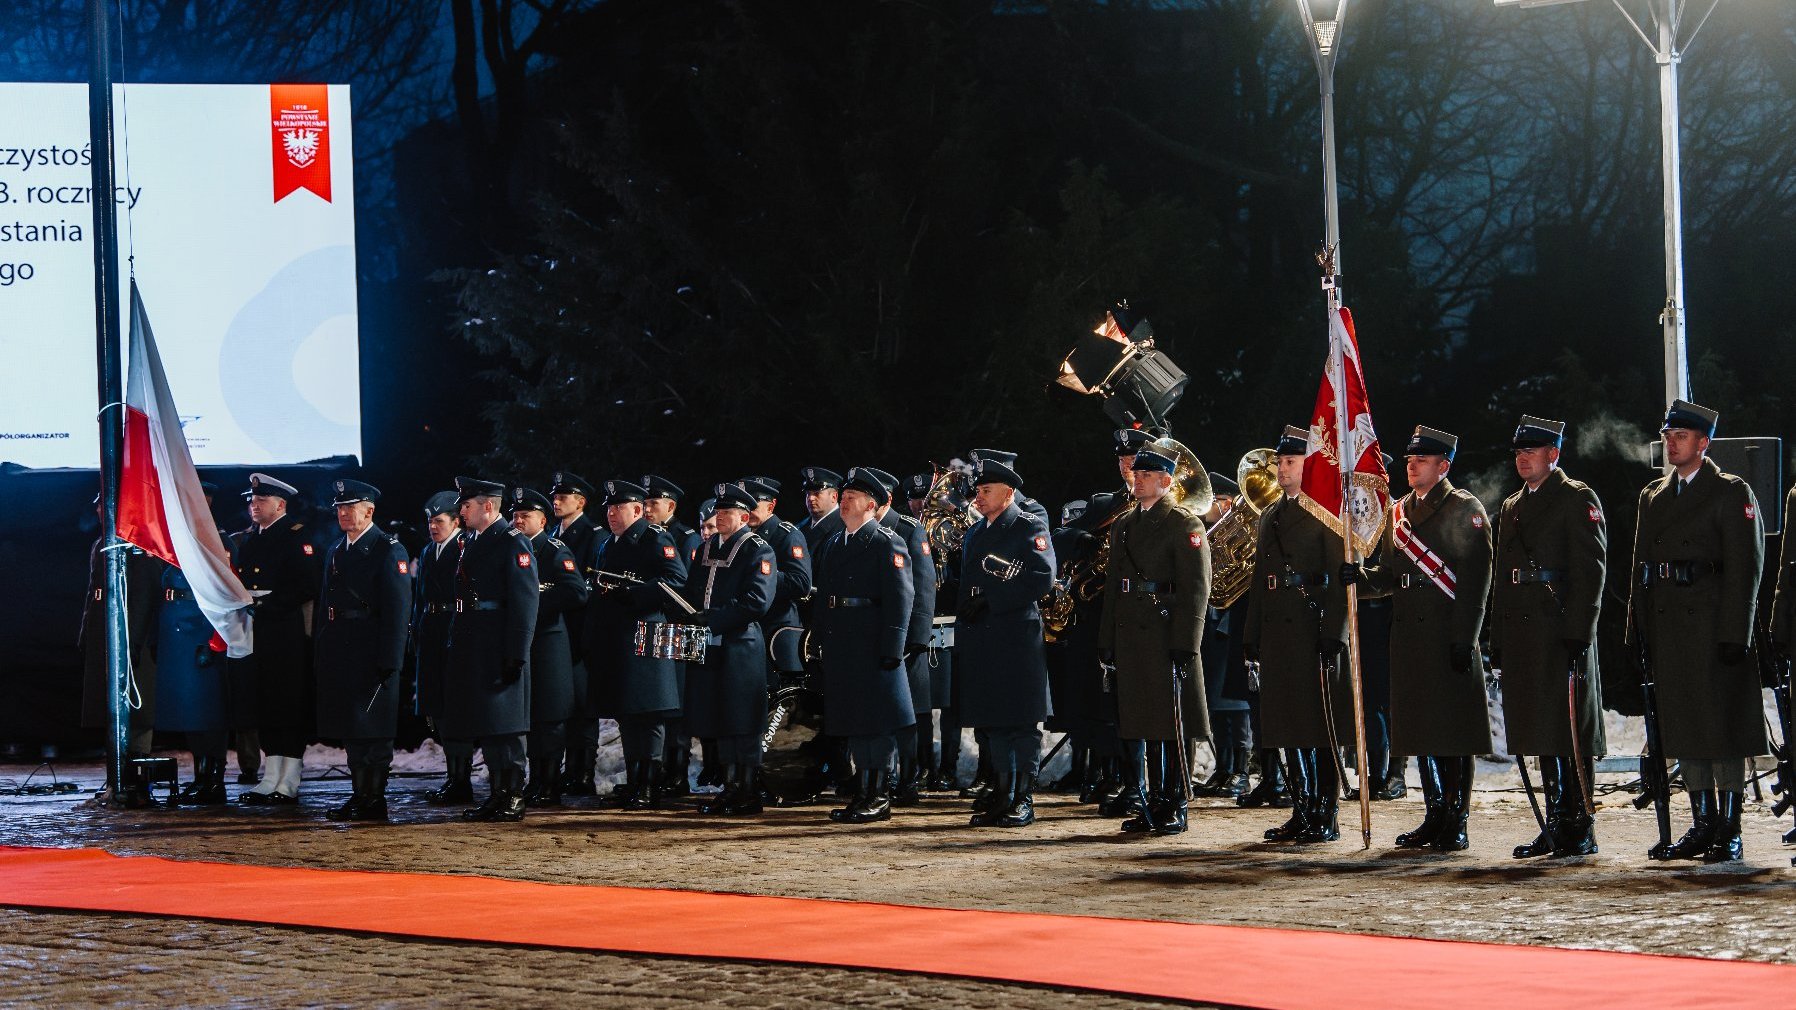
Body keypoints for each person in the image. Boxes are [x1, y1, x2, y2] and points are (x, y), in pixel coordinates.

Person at [1626, 400, 1765, 862]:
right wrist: (1637, 628)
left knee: (1720, 727)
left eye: (1680, 436)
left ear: (1703, 443)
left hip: (1713, 625)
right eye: (1667, 435)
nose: (1671, 442)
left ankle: (1729, 825)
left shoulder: (1730, 491)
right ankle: (1702, 822)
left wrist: (1736, 632)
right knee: (1684, 726)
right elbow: (1641, 567)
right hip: (1670, 626)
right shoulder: (1655, 496)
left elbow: (1747, 567)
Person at [1344, 427, 1494, 851]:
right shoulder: (1399, 512)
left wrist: (1466, 637)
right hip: (1408, 635)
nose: (1411, 465)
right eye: (1410, 460)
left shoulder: (1465, 508)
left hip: (1448, 633)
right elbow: (1393, 577)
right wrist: (1361, 580)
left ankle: (1456, 820)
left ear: (1443, 465)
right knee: (1420, 730)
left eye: (1422, 460)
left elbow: (1475, 582)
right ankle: (1433, 815)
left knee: (1452, 732)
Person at [1490, 415, 1607, 859]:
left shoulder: (1576, 499)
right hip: (1523, 634)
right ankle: (1555, 820)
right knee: (1539, 730)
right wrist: (1497, 637)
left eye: (1532, 450)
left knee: (1568, 731)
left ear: (1553, 455)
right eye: (1518, 451)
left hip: (1560, 632)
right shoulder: (1512, 506)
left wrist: (1580, 631)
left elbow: (1590, 571)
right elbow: (1504, 578)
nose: (1522, 457)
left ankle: (1580, 823)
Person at [1243, 427, 1350, 844]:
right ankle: (1302, 809)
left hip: (1312, 628)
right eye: (1280, 463)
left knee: (1319, 726)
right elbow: (1259, 580)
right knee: (1286, 725)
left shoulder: (1327, 510)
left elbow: (1342, 581)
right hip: (1277, 633)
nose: (1281, 469)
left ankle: (1326, 812)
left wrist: (1334, 633)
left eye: (1290, 462)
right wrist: (1252, 635)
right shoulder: (1270, 514)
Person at [1098, 447, 1211, 836]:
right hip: (1132, 634)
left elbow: (1197, 588)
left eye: (1147, 474)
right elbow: (1114, 585)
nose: (1138, 478)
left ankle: (1175, 801)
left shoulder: (1184, 524)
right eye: (1137, 472)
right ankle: (1154, 804)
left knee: (1172, 723)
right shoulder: (1124, 524)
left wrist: (1187, 641)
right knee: (1145, 722)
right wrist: (1107, 639)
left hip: (1166, 634)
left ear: (1166, 481)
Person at [955, 458, 1056, 828]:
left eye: (986, 491)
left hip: (1016, 634)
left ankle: (1022, 797)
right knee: (993, 720)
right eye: (978, 491)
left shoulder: (1028, 525)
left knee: (1022, 722)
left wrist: (993, 600)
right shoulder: (976, 532)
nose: (978, 498)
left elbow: (1042, 577)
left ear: (1008, 492)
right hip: (984, 635)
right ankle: (1001, 792)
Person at [813, 468, 916, 823]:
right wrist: (821, 637)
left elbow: (901, 597)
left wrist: (893, 646)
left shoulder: (887, 541)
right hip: (843, 642)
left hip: (872, 642)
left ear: (871, 505)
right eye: (842, 497)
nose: (843, 502)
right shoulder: (832, 542)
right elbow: (824, 595)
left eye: (851, 498)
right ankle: (863, 791)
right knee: (854, 722)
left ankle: (879, 794)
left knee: (877, 723)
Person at [312, 479, 413, 822]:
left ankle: (374, 798)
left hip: (373, 649)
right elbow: (326, 603)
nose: (343, 513)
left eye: (349, 507)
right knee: (353, 729)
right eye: (339, 508)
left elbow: (398, 611)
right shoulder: (337, 550)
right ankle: (359, 795)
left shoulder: (388, 549)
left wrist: (391, 659)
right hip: (341, 648)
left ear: (369, 510)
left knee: (376, 730)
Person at [583, 479, 687, 809]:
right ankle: (634, 779)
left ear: (638, 510)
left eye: (619, 508)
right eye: (610, 508)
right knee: (629, 712)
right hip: (619, 635)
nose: (612, 514)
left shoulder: (656, 538)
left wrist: (635, 595)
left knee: (650, 711)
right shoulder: (609, 543)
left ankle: (649, 782)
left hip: (648, 630)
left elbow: (676, 580)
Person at [441, 476, 540, 823]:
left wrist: (517, 651)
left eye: (466, 505)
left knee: (507, 727)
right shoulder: (475, 541)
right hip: (476, 645)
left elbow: (525, 602)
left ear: (487, 506)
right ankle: (497, 794)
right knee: (489, 723)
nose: (461, 512)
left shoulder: (512, 542)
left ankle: (513, 795)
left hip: (499, 644)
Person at [680, 482, 778, 815]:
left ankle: (747, 791)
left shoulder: (758, 549)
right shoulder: (707, 548)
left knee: (742, 720)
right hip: (711, 645)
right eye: (717, 511)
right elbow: (693, 589)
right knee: (719, 717)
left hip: (741, 645)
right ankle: (729, 787)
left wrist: (715, 619)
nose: (719, 517)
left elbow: (757, 601)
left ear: (744, 516)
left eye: (726, 512)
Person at [233, 474, 321, 807]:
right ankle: (271, 775)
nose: (253, 505)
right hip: (258, 628)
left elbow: (306, 585)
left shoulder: (296, 537)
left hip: (285, 628)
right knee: (265, 701)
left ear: (280, 504)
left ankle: (290, 778)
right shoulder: (252, 540)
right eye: (251, 501)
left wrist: (266, 605)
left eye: (261, 500)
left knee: (288, 703)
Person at [78, 496, 165, 808]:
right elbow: (94, 594)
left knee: (138, 713)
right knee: (109, 710)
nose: (99, 510)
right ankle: (116, 776)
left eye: (105, 505)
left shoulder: (139, 547)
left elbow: (143, 597)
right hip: (106, 638)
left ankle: (136, 779)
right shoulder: (103, 544)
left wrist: (134, 642)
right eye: (98, 505)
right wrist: (87, 633)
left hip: (130, 638)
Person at [510, 487, 588, 807]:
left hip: (549, 641)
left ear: (542, 520)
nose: (518, 521)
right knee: (529, 717)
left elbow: (576, 592)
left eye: (525, 516)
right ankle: (535, 779)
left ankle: (550, 782)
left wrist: (535, 604)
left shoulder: (555, 550)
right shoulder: (512, 550)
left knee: (551, 718)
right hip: (524, 642)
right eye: (515, 516)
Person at [154, 481, 231, 805]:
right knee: (188, 711)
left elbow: (225, 593)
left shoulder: (217, 540)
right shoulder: (174, 538)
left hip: (201, 629)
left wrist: (214, 639)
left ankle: (215, 778)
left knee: (209, 711)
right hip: (176, 630)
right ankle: (200, 776)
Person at [1195, 471, 1254, 800]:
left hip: (1231, 625)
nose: (1209, 507)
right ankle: (1223, 768)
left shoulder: (1239, 534)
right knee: (1216, 703)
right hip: (1210, 624)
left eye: (1214, 500)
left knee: (1236, 703)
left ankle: (1240, 771)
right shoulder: (1207, 533)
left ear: (1229, 502)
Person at [547, 470, 605, 797]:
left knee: (583, 707)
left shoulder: (593, 534)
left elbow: (591, 586)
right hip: (559, 631)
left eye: (563, 497)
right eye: (555, 496)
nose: (556, 501)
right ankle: (559, 772)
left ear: (580, 502)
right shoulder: (555, 533)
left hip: (580, 631)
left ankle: (582, 773)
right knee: (560, 705)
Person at [642, 473, 700, 794]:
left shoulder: (684, 536)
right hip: (659, 626)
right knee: (659, 702)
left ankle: (677, 772)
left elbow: (687, 586)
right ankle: (660, 769)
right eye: (645, 502)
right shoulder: (650, 535)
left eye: (654, 502)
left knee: (677, 704)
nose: (648, 508)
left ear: (671, 506)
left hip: (680, 626)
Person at [412, 491, 471, 804]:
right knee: (439, 709)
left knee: (456, 708)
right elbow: (420, 598)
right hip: (432, 629)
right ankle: (453, 777)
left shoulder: (464, 549)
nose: (433, 527)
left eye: (439, 521)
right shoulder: (428, 551)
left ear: (456, 521)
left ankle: (461, 780)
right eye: (430, 522)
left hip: (453, 628)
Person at [797, 467, 846, 555]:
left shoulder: (846, 527)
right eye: (808, 494)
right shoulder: (799, 527)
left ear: (834, 497)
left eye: (817, 493)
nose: (811, 498)